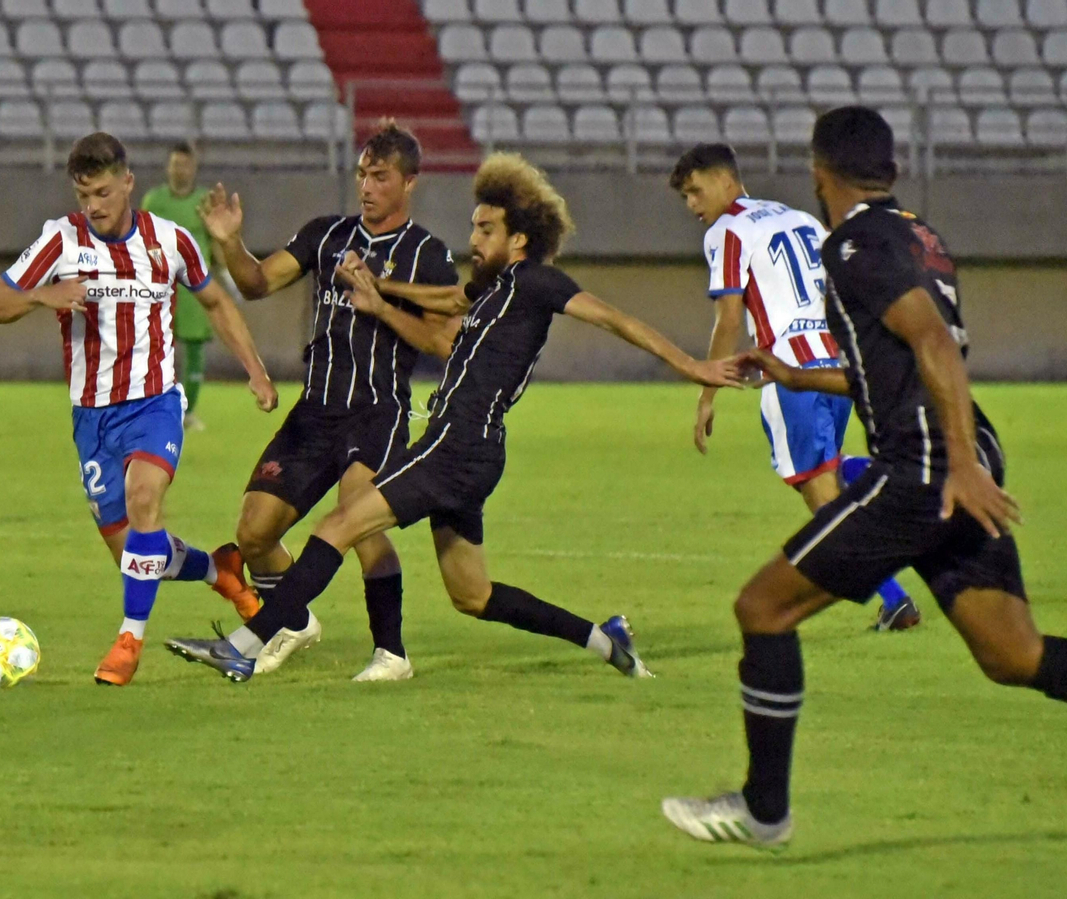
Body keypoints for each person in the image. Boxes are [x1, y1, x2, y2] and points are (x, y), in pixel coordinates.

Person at [661, 107, 1067, 849]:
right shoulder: (917, 234)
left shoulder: (853, 245)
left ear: (819, 172)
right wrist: (790, 372)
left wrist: (958, 465)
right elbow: (893, 366)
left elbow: (933, 341)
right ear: (891, 170)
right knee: (1013, 653)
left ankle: (763, 809)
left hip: (930, 465)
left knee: (762, 606)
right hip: (961, 449)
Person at [164, 152, 743, 683]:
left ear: (519, 237)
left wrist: (692, 365)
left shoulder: (538, 280)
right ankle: (604, 640)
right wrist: (376, 290)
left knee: (336, 527)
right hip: (471, 449)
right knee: (473, 594)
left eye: (485, 229)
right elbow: (444, 302)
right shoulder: (492, 286)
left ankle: (243, 643)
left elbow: (616, 319)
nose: (473, 237)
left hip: (455, 445)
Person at [0, 132, 279, 687]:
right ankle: (221, 570)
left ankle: (128, 641)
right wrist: (45, 295)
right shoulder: (60, 241)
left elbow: (215, 302)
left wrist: (255, 370)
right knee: (137, 554)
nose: (93, 205)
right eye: (83, 194)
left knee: (145, 501)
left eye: (103, 192)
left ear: (128, 183)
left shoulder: (171, 242)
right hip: (92, 419)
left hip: (154, 403)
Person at [195, 121, 462, 682]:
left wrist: (383, 307)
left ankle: (391, 653)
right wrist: (229, 242)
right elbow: (257, 283)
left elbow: (443, 341)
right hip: (314, 409)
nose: (366, 185)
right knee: (253, 532)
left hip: (377, 409)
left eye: (380, 176)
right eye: (363, 173)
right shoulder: (327, 234)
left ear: (409, 182)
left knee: (357, 519)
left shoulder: (427, 255)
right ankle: (294, 622)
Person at [670, 142, 920, 632]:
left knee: (822, 499)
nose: (693, 206)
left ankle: (894, 599)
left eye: (696, 191)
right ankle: (889, 482)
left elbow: (728, 319)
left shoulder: (727, 230)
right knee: (831, 469)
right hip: (838, 367)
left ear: (726, 181)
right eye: (685, 198)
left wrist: (707, 392)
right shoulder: (801, 218)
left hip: (791, 372)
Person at [139, 141, 232, 432]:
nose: (181, 169)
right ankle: (151, 406)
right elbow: (144, 240)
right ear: (168, 166)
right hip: (159, 285)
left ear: (194, 167)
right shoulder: (154, 201)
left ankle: (188, 411)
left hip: (194, 285)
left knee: (194, 348)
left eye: (186, 164)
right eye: (176, 163)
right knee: (154, 346)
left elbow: (215, 240)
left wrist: (227, 274)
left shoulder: (205, 200)